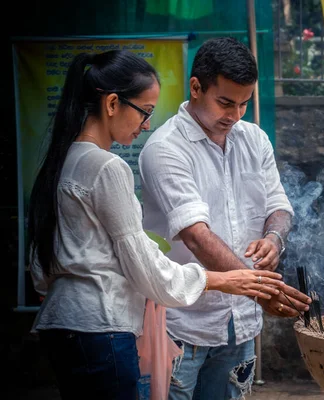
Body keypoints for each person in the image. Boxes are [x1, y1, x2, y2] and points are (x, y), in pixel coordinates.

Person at [27, 49, 287, 400]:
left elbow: (41, 270)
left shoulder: (65, 158)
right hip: (104, 326)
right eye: (145, 112)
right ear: (112, 104)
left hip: (70, 323)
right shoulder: (110, 166)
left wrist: (267, 245)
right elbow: (145, 266)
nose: (147, 124)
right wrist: (226, 280)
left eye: (244, 105)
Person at [138, 37, 311, 400]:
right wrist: (262, 290)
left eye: (244, 104)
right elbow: (196, 235)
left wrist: (273, 239)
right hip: (179, 324)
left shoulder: (255, 139)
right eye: (225, 102)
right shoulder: (164, 149)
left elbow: (279, 207)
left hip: (240, 326)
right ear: (196, 87)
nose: (234, 115)